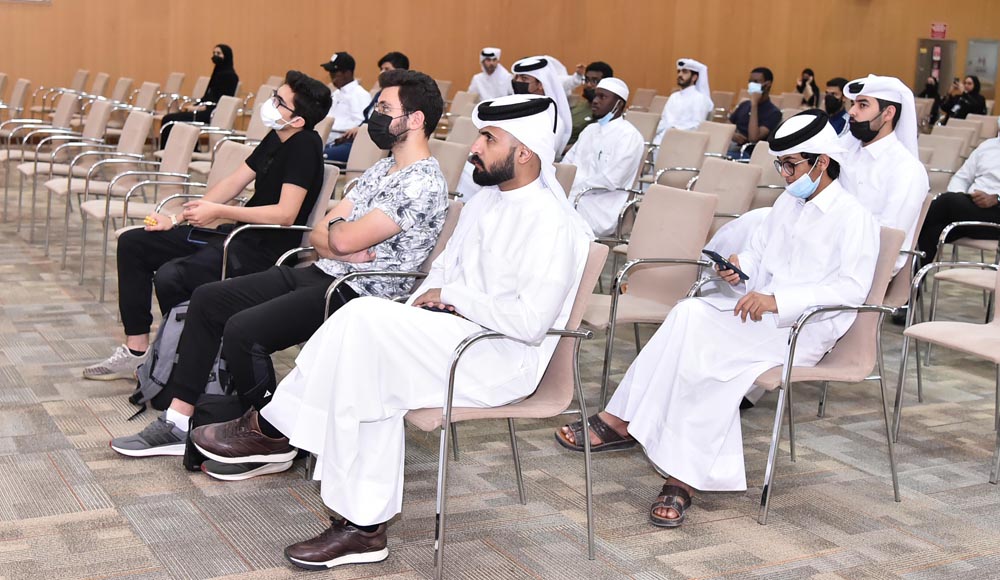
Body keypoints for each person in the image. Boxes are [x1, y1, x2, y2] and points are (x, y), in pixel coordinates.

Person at [189, 94, 592, 569]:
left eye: (488, 138)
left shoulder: (554, 225)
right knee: (367, 364)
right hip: (450, 335)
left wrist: (455, 299)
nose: (474, 148)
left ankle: (278, 430)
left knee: (363, 321)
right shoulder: (485, 202)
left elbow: (528, 324)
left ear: (524, 152)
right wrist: (439, 295)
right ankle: (361, 528)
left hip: (499, 358)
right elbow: (443, 270)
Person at [556, 110, 879, 529]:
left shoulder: (855, 219)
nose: (783, 174)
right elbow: (762, 255)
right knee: (688, 314)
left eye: (791, 165)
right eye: (780, 165)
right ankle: (623, 420)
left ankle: (681, 477)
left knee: (712, 361)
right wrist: (739, 268)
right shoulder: (788, 203)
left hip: (804, 328)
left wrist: (780, 300)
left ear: (821, 161)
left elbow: (850, 291)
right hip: (760, 314)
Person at [108, 70, 449, 465]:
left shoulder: (421, 182)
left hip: (361, 293)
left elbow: (336, 238)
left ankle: (273, 436)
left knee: (243, 330)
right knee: (208, 299)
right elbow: (324, 233)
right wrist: (339, 241)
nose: (375, 115)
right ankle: (177, 422)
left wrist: (338, 241)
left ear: (416, 119)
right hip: (327, 273)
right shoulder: (381, 169)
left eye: (386, 108)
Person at [84, 71, 332, 381]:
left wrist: (218, 211)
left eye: (279, 102)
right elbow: (232, 182)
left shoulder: (304, 147)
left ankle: (187, 360)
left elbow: (285, 214)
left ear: (297, 120)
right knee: (135, 244)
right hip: (236, 235)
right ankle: (137, 353)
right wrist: (177, 218)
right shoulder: (277, 137)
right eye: (274, 96)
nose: (270, 104)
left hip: (262, 250)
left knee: (172, 275)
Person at [842, 74, 929, 274]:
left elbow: (886, 243)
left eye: (862, 105)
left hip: (860, 270)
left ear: (888, 113)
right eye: (852, 104)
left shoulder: (906, 169)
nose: (852, 112)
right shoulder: (845, 153)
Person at [563, 77, 645, 235]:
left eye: (602, 97)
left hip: (602, 205)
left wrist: (574, 186)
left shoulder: (629, 136)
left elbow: (612, 180)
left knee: (550, 216)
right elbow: (567, 165)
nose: (595, 101)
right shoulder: (589, 131)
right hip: (576, 196)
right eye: (595, 96)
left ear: (618, 104)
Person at [918, 117, 1000, 262]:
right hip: (970, 208)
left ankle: (906, 228)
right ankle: (909, 282)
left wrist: (996, 198)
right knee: (934, 231)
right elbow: (962, 177)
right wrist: (962, 196)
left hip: (996, 214)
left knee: (947, 202)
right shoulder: (988, 146)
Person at [160, 44, 239, 148]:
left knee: (168, 120)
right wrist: (195, 105)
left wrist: (199, 107)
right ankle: (192, 150)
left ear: (226, 56)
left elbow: (220, 102)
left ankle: (167, 155)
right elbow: (207, 97)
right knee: (175, 119)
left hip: (211, 113)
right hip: (204, 109)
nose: (215, 56)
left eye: (219, 53)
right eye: (214, 53)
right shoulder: (217, 72)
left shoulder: (230, 76)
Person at [335, 51, 411, 158]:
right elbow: (367, 118)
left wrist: (362, 130)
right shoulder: (380, 94)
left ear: (400, 72)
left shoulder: (401, 98)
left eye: (387, 69)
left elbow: (387, 126)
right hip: (360, 140)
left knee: (323, 154)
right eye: (381, 69)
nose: (382, 73)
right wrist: (356, 130)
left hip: (374, 146)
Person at [510, 55, 573, 153]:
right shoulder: (513, 107)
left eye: (524, 78)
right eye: (516, 77)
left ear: (540, 84)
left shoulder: (552, 118)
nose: (517, 81)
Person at [321, 52, 372, 163]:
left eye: (335, 73)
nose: (331, 77)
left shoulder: (360, 95)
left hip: (342, 141)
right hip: (327, 138)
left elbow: (360, 126)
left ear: (347, 73)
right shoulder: (336, 93)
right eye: (330, 73)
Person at [653, 58, 714, 149]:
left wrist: (674, 131)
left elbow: (697, 126)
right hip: (663, 138)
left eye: (685, 72)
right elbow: (664, 120)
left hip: (685, 142)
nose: (680, 75)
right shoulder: (674, 96)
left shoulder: (700, 99)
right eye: (679, 71)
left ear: (694, 77)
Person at [728, 67, 782, 159]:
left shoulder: (774, 113)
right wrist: (733, 135)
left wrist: (754, 105)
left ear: (767, 85)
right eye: (750, 81)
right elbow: (727, 125)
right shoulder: (744, 105)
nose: (751, 84)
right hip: (732, 147)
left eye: (756, 82)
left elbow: (753, 138)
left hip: (748, 153)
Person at [569, 61, 613, 146]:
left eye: (595, 81)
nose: (588, 85)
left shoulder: (606, 113)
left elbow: (593, 144)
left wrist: (560, 151)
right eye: (587, 80)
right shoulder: (579, 105)